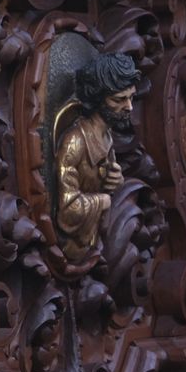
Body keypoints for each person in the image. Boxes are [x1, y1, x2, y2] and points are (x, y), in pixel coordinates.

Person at [55, 53, 140, 262]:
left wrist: (114, 182)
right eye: (118, 100)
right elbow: (68, 210)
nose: (129, 107)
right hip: (70, 248)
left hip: (92, 247)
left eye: (131, 97)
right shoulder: (76, 141)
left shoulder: (106, 137)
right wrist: (103, 200)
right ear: (98, 98)